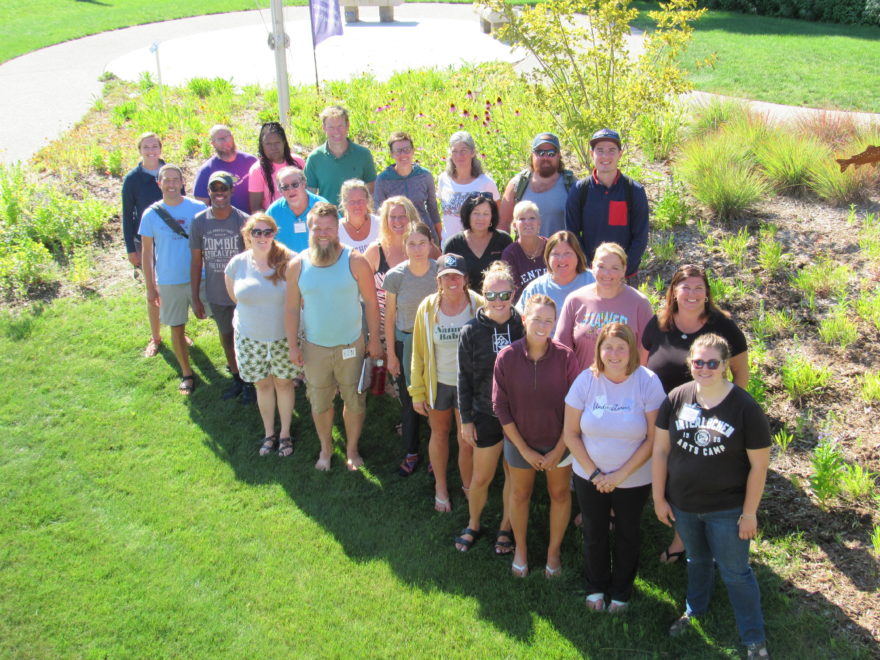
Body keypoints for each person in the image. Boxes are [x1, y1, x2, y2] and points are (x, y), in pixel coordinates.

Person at [653, 334, 771, 659]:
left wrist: (749, 513)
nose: (704, 368)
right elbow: (661, 451)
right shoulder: (677, 398)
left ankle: (753, 639)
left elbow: (759, 467)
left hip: (727, 510)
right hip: (684, 505)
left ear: (724, 366)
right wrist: (659, 498)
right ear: (690, 363)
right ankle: (695, 610)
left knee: (736, 573)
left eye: (712, 363)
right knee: (697, 559)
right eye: (698, 362)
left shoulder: (745, 408)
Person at [643, 263, 750, 564]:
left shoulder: (723, 326)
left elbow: (741, 372)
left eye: (698, 288)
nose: (691, 294)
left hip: (705, 418)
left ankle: (683, 540)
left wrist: (732, 410)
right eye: (685, 287)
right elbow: (640, 368)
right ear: (674, 292)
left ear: (706, 294)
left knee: (689, 478)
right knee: (666, 471)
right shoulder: (659, 323)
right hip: (661, 417)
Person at [563, 323, 665, 612]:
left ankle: (621, 591)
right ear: (599, 350)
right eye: (608, 346)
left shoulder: (647, 381)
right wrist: (596, 474)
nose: (615, 353)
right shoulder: (586, 380)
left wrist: (619, 475)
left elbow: (652, 437)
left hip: (634, 478)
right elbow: (570, 433)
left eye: (622, 347)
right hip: (588, 475)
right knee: (594, 532)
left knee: (627, 533)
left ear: (632, 349)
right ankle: (595, 587)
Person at [285, 202, 382, 471]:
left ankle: (351, 450)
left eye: (329, 228)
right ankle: (326, 449)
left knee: (354, 399)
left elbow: (372, 303)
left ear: (337, 229)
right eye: (318, 228)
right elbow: (292, 308)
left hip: (351, 343)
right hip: (314, 347)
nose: (323, 233)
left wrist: (373, 340)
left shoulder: (355, 261)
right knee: (320, 401)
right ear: (310, 229)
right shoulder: (297, 265)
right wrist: (293, 346)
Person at [493, 294, 579, 578]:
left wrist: (558, 449)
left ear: (555, 323)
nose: (542, 325)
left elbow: (575, 407)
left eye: (548, 320)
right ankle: (521, 549)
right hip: (520, 443)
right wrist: (525, 450)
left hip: (560, 442)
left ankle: (553, 553)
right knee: (519, 494)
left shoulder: (566, 357)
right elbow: (500, 407)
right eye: (537, 319)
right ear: (524, 319)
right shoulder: (506, 357)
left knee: (560, 494)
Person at [454, 261, 523, 553]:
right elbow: (463, 379)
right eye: (491, 296)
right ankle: (473, 523)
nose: (498, 302)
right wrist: (466, 420)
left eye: (504, 295)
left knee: (512, 475)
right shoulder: (470, 330)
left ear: (513, 294)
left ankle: (506, 528)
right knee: (481, 477)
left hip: (519, 417)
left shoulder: (523, 325)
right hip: (485, 414)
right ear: (483, 295)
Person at [410, 253, 484, 512]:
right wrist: (417, 391)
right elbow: (418, 353)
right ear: (438, 280)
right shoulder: (428, 307)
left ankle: (468, 487)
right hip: (439, 384)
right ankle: (440, 487)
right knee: (439, 434)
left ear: (465, 279)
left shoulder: (479, 305)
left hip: (469, 387)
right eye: (445, 276)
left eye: (457, 276)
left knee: (466, 440)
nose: (452, 281)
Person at [224, 214, 302, 457]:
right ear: (248, 234)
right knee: (263, 385)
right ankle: (269, 433)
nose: (262, 237)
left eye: (267, 232)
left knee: (284, 383)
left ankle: (285, 433)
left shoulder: (289, 260)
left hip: (282, 337)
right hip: (250, 338)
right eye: (256, 232)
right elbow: (234, 297)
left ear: (274, 233)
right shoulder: (237, 264)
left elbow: (299, 298)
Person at [138, 165, 207, 394]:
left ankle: (236, 369)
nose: (171, 184)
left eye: (175, 180)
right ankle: (187, 373)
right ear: (159, 184)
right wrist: (151, 286)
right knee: (176, 327)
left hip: (201, 277)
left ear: (182, 182)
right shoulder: (151, 214)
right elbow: (147, 253)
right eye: (166, 180)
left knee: (225, 321)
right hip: (169, 280)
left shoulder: (197, 208)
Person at [188, 171, 251, 402]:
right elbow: (196, 261)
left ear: (231, 191)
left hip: (241, 293)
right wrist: (196, 297)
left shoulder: (242, 220)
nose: (219, 193)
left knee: (245, 337)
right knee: (226, 336)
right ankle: (237, 377)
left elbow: (251, 259)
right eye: (215, 189)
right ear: (209, 192)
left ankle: (251, 379)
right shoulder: (199, 222)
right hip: (216, 292)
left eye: (223, 188)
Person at [383, 223, 438, 477]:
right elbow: (390, 316)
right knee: (409, 401)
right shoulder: (395, 276)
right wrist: (391, 355)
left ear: (431, 245)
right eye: (412, 244)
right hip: (405, 343)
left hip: (435, 343)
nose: (417, 249)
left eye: (422, 243)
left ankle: (436, 452)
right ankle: (412, 451)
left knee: (435, 399)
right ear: (404, 246)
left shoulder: (439, 271)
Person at [565, 128, 649, 280]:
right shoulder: (579, 190)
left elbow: (640, 237)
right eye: (600, 150)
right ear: (592, 154)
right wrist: (591, 268)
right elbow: (572, 235)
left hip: (625, 277)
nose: (605, 156)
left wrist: (621, 270)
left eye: (611, 150)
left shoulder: (634, 190)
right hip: (589, 275)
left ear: (620, 154)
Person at [555, 242, 652, 371]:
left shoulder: (640, 303)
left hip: (625, 386)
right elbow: (562, 350)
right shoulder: (575, 300)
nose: (607, 273)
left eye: (615, 268)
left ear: (624, 270)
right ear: (592, 267)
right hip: (583, 386)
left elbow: (645, 354)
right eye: (601, 266)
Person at [121, 132, 173, 357]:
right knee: (152, 290)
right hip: (146, 242)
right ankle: (156, 337)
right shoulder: (133, 179)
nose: (151, 150)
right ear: (139, 150)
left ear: (161, 148)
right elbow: (127, 215)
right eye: (146, 146)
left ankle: (177, 331)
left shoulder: (170, 172)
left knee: (171, 288)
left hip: (170, 240)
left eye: (154, 146)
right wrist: (131, 249)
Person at [366, 196, 441, 341]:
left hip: (422, 330)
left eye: (402, 216)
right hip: (382, 330)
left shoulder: (429, 248)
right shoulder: (375, 250)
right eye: (392, 217)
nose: (397, 221)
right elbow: (362, 293)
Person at [499, 132, 576, 236]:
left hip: (560, 251)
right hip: (525, 252)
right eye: (540, 152)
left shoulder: (572, 184)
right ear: (532, 155)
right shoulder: (517, 185)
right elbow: (503, 224)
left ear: (558, 156)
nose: (545, 157)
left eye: (551, 153)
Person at [373, 131, 442, 241]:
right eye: (398, 151)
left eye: (407, 150)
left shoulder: (424, 175)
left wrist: (440, 237)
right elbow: (379, 212)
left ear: (413, 151)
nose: (403, 154)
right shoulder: (383, 179)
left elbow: (433, 208)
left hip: (424, 233)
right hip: (397, 235)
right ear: (391, 154)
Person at [305, 106, 377, 206]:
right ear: (324, 128)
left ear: (348, 125)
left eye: (340, 126)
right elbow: (309, 195)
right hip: (327, 218)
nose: (336, 132)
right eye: (331, 127)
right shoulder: (314, 158)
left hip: (356, 217)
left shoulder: (363, 155)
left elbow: (371, 191)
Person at [436, 131, 499, 244]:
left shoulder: (486, 183)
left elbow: (498, 215)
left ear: (473, 152)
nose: (459, 156)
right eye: (454, 151)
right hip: (449, 247)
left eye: (463, 151)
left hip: (476, 247)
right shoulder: (443, 180)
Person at [515, 230, 594, 320]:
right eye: (555, 254)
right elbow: (518, 319)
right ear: (547, 257)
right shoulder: (536, 288)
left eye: (567, 253)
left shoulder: (593, 280)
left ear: (578, 255)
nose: (561, 259)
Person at [442, 194, 511, 292]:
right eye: (476, 213)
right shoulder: (453, 244)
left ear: (492, 216)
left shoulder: (504, 240)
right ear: (468, 215)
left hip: (497, 300)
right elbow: (446, 280)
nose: (480, 218)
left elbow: (511, 277)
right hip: (464, 301)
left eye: (486, 213)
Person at [193, 125, 257, 211]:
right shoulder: (206, 170)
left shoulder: (251, 162)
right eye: (220, 139)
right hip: (221, 222)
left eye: (227, 137)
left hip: (250, 220)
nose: (225, 142)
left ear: (233, 137)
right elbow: (201, 206)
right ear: (213, 144)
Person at [266, 167, 327, 253]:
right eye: (285, 187)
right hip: (285, 263)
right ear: (280, 190)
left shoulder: (323, 206)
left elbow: (337, 233)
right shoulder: (273, 211)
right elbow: (264, 238)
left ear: (304, 183)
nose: (291, 190)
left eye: (295, 184)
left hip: (319, 263)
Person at [248, 122, 306, 213]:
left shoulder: (298, 162)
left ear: (284, 142)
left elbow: (307, 193)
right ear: (262, 146)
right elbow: (256, 208)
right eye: (268, 144)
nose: (273, 147)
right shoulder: (257, 170)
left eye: (277, 142)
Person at [501, 200, 547, 303]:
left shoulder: (551, 247)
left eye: (532, 218)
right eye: (522, 219)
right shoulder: (510, 254)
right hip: (524, 309)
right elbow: (512, 292)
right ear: (514, 225)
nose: (528, 222)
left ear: (539, 222)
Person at [338, 179, 379, 254]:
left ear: (367, 200)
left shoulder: (380, 224)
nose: (357, 205)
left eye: (361, 200)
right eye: (352, 202)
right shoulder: (336, 230)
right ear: (344, 203)